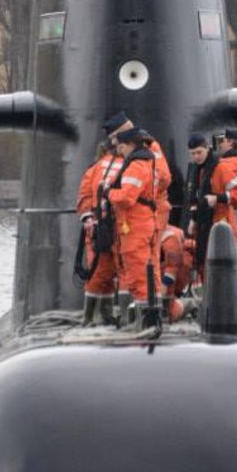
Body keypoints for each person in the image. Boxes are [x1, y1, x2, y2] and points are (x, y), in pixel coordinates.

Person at [105, 127, 160, 306]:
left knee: (138, 269)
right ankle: (155, 307)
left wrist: (108, 193)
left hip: (135, 225)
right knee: (151, 270)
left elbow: (126, 198)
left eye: (122, 148)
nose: (120, 152)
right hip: (146, 222)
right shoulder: (147, 163)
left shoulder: (136, 166)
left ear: (130, 145)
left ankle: (145, 313)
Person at [75, 138, 124, 323]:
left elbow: (85, 196)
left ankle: (92, 317)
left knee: (100, 272)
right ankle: (104, 315)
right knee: (112, 272)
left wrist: (87, 217)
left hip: (100, 228)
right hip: (118, 228)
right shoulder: (131, 166)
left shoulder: (95, 168)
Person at [183, 132, 237, 276]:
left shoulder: (221, 168)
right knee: (203, 265)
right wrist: (193, 219)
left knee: (218, 270)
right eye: (193, 154)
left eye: (199, 152)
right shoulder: (197, 170)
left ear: (207, 148)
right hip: (204, 224)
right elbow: (196, 199)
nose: (196, 157)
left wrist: (219, 198)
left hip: (221, 224)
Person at [102, 111, 171, 229]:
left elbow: (164, 179)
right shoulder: (127, 151)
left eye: (114, 137)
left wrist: (136, 194)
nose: (113, 142)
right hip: (132, 214)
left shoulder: (148, 147)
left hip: (149, 212)